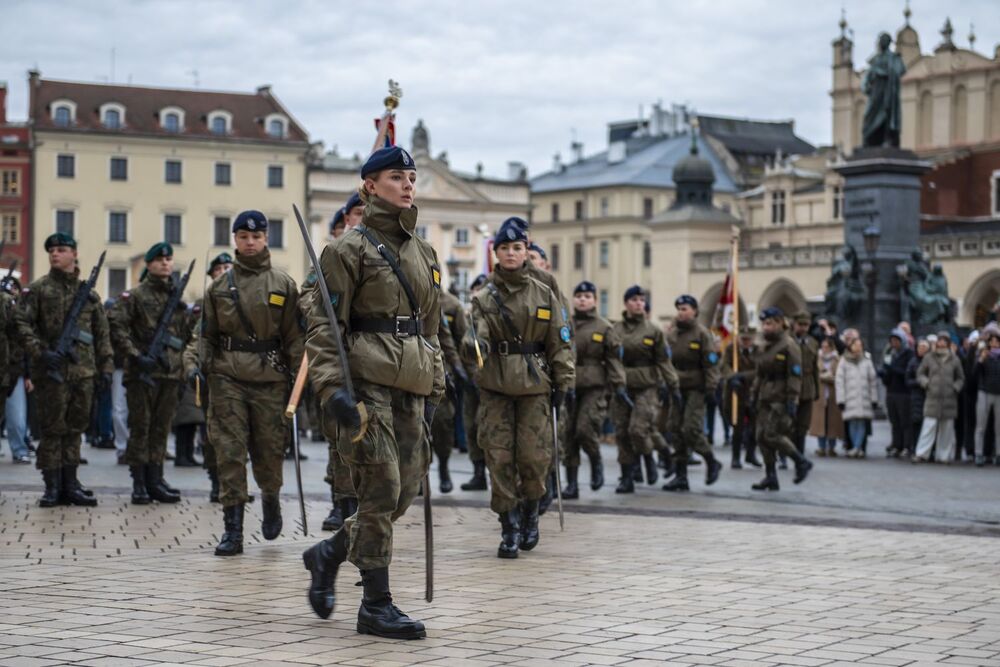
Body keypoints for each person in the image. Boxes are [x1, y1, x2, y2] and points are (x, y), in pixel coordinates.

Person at [302, 146, 443, 639]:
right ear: (369, 186)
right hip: (365, 381)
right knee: (380, 487)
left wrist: (437, 377)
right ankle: (375, 605)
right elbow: (323, 327)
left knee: (404, 489)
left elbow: (432, 325)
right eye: (395, 177)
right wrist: (332, 389)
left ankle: (329, 553)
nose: (407, 185)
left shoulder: (423, 251)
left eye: (410, 176)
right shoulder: (347, 250)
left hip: (411, 381)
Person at [460, 220, 574, 558]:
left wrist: (564, 382)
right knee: (499, 457)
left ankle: (530, 515)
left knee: (533, 456)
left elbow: (560, 340)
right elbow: (477, 333)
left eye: (517, 248)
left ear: (526, 251)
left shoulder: (544, 293)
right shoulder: (483, 297)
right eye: (504, 249)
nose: (511, 254)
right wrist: (473, 345)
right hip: (496, 384)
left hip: (535, 385)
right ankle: (508, 526)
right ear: (496, 253)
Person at [195, 212, 304, 555]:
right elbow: (206, 334)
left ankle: (270, 497)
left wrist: (303, 379)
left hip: (270, 379)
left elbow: (294, 338)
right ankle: (233, 529)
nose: (250, 242)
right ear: (235, 240)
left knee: (269, 451)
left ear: (266, 238)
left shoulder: (283, 284)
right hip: (227, 377)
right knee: (229, 451)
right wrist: (202, 367)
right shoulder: (219, 288)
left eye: (256, 237)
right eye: (243, 236)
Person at [15, 233, 113, 506]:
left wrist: (106, 368)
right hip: (51, 373)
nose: (55, 254)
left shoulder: (89, 296)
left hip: (83, 372)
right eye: (52, 251)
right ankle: (52, 486)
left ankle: (71, 484)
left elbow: (102, 335)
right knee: (52, 430)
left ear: (74, 254)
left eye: (61, 250)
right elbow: (21, 324)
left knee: (75, 429)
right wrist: (40, 352)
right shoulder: (38, 290)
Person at [109, 242, 196, 504]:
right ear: (148, 264)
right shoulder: (134, 296)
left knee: (160, 429)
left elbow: (185, 336)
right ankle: (139, 482)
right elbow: (116, 325)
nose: (165, 263)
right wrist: (135, 355)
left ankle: (156, 479)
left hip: (169, 374)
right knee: (141, 427)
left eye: (168, 259)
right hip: (142, 374)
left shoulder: (177, 301)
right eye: (159, 259)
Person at [611, 285, 679, 493]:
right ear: (626, 303)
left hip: (647, 386)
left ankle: (649, 457)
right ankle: (627, 476)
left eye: (641, 300)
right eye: (634, 300)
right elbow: (611, 359)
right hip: (622, 386)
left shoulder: (653, 331)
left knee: (638, 430)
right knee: (622, 431)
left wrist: (673, 384)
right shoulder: (616, 330)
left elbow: (664, 361)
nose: (638, 303)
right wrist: (615, 382)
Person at [563, 280, 626, 498]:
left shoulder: (604, 327)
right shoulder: (564, 323)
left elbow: (613, 360)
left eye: (587, 296)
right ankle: (571, 484)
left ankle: (596, 460)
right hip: (568, 385)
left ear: (595, 301)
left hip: (594, 386)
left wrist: (619, 386)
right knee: (567, 434)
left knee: (584, 429)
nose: (582, 299)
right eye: (579, 296)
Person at [748, 307, 813, 491]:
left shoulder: (789, 345)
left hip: (781, 397)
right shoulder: (765, 346)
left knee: (772, 434)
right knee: (761, 437)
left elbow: (795, 375)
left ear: (779, 323)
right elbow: (760, 374)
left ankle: (801, 462)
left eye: (769, 323)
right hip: (765, 397)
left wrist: (792, 400)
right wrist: (753, 395)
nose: (765, 327)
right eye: (764, 324)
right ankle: (770, 476)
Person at [662, 295, 723, 491]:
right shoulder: (672, 335)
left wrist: (712, 388)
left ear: (695, 311)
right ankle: (681, 476)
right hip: (676, 389)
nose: (681, 312)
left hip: (696, 388)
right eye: (679, 308)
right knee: (675, 429)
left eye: (685, 308)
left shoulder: (702, 334)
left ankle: (711, 461)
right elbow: (665, 362)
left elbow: (711, 364)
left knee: (690, 428)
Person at [430, 287, 470, 493]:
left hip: (440, 369)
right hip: (409, 367)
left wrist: (459, 367)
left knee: (442, 423)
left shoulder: (451, 304)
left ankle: (444, 467)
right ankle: (418, 475)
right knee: (414, 425)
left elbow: (452, 340)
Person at [914, 332, 965, 463]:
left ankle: (943, 456)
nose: (941, 343)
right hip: (932, 398)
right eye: (940, 340)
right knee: (928, 426)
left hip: (949, 399)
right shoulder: (929, 357)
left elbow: (960, 377)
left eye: (944, 341)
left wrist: (955, 387)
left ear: (948, 343)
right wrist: (926, 383)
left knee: (947, 429)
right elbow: (920, 373)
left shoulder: (954, 359)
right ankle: (921, 453)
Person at [460, 273, 490, 492]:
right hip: (470, 382)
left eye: (482, 288)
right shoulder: (466, 317)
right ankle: (478, 473)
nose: (478, 292)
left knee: (486, 427)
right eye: (475, 289)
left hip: (491, 383)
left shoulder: (492, 317)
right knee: (471, 427)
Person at [835, 337, 879, 458]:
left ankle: (857, 447)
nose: (858, 347)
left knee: (862, 423)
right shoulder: (844, 360)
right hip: (850, 398)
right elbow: (839, 381)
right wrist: (841, 399)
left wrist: (874, 399)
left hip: (864, 398)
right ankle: (855, 446)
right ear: (851, 346)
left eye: (860, 345)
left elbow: (873, 381)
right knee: (852, 423)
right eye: (856, 345)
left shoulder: (867, 360)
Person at [2, 278, 31, 464]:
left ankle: (19, 449)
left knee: (17, 417)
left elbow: (25, 344)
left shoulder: (21, 313)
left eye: (14, 287)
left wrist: (28, 375)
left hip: (15, 370)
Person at [723, 326, 760, 468]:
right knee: (737, 426)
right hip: (735, 393)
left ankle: (751, 454)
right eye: (742, 339)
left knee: (755, 426)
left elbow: (760, 370)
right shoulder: (731, 349)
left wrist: (742, 376)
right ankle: (736, 457)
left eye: (748, 339)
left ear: (753, 339)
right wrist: (732, 377)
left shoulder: (759, 351)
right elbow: (724, 365)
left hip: (752, 391)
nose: (745, 342)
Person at [881, 327, 914, 457]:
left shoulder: (908, 354)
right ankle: (896, 444)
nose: (894, 343)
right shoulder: (890, 354)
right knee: (894, 421)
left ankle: (907, 445)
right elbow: (888, 371)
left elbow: (906, 372)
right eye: (892, 341)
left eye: (896, 340)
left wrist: (893, 369)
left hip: (903, 392)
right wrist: (884, 374)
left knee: (905, 421)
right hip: (891, 391)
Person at [810, 336, 844, 456]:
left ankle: (832, 446)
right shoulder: (816, 358)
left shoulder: (838, 359)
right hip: (820, 395)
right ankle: (821, 446)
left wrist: (830, 378)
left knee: (832, 422)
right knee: (820, 422)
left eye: (827, 347)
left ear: (831, 347)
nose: (824, 349)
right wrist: (823, 377)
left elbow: (840, 376)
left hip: (833, 394)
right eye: (823, 346)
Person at [791, 312, 819, 455]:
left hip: (807, 386)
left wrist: (817, 389)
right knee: (789, 422)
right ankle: (785, 454)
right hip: (790, 386)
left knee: (803, 423)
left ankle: (799, 453)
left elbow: (815, 368)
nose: (803, 328)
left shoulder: (812, 342)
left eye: (806, 325)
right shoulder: (787, 341)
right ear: (794, 324)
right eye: (800, 325)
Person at [973, 324, 1000, 466]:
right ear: (989, 343)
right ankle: (978, 454)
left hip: (999, 394)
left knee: (998, 427)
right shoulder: (983, 355)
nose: (994, 343)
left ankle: (998, 454)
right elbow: (974, 375)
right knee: (981, 426)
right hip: (984, 391)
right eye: (992, 341)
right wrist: (980, 360)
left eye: (997, 341)